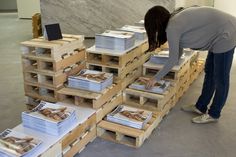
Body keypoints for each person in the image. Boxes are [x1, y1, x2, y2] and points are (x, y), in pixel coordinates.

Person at [144, 6, 236, 124]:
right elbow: (178, 54)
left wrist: (155, 78)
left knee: (220, 78)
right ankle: (201, 106)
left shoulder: (172, 27)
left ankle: (214, 114)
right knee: (210, 71)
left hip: (227, 33)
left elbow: (173, 59)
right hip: (219, 33)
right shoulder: (174, 20)